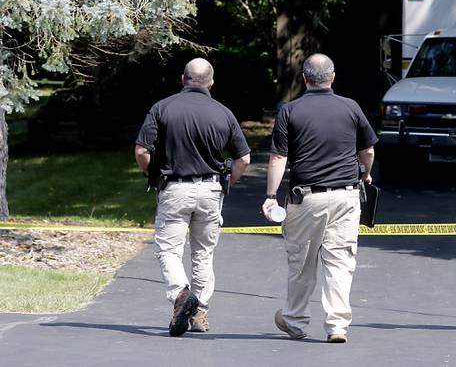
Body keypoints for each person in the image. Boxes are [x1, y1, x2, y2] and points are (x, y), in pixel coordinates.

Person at [262, 53, 377, 344]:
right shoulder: (350, 108)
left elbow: (279, 156)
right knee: (340, 261)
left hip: (307, 198)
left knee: (301, 260)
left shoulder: (290, 111)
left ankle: (295, 321)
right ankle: (337, 325)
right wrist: (365, 174)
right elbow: (368, 150)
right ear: (333, 77)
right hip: (346, 197)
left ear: (304, 79)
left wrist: (271, 195)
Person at [135, 58, 251, 337]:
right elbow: (243, 158)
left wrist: (151, 173)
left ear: (182, 79)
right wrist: (227, 183)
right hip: (211, 190)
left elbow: (142, 151)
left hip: (174, 187)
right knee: (203, 253)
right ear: (211, 83)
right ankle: (199, 315)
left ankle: (180, 293)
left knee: (167, 249)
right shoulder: (223, 113)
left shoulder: (162, 108)